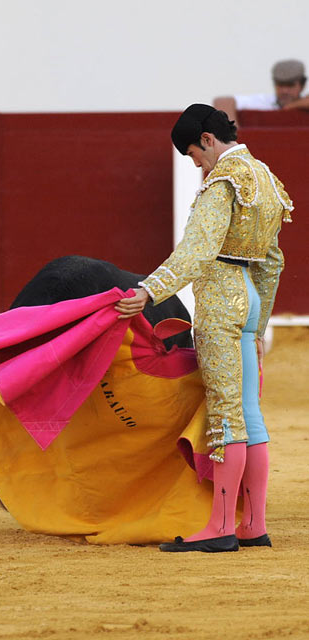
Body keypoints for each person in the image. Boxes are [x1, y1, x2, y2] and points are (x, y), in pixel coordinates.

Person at [115, 104, 294, 553]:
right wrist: (257, 324)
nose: (197, 164)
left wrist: (149, 291)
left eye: (195, 154)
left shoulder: (223, 182)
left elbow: (196, 252)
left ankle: (219, 528)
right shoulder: (267, 180)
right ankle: (253, 524)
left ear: (209, 140)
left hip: (219, 297)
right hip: (249, 296)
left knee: (227, 415)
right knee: (249, 414)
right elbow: (272, 261)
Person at [214, 59, 309, 124]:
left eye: (290, 85)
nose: (284, 90)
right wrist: (233, 132)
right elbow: (222, 102)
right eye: (280, 84)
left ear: (302, 85)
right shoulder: (265, 101)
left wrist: (294, 105)